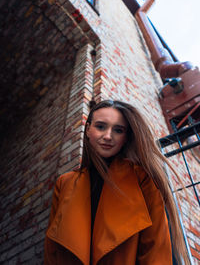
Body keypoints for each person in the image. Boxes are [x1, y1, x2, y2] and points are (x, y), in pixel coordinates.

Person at [44, 100, 189, 265]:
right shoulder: (65, 183)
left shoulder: (142, 177)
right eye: (100, 127)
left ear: (126, 137)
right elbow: (51, 250)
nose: (108, 136)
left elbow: (157, 247)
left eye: (118, 130)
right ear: (88, 130)